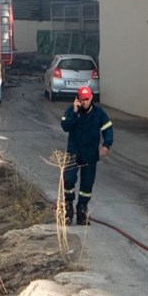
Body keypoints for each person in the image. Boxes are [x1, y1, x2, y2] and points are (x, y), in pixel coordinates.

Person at [60, 86, 113, 225]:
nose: (84, 102)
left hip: (90, 154)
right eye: (81, 99)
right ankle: (68, 207)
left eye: (86, 99)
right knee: (69, 179)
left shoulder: (99, 113)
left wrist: (106, 144)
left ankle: (82, 210)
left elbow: (108, 128)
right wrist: (75, 112)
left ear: (91, 98)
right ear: (77, 99)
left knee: (87, 185)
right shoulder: (72, 111)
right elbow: (65, 126)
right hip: (74, 152)